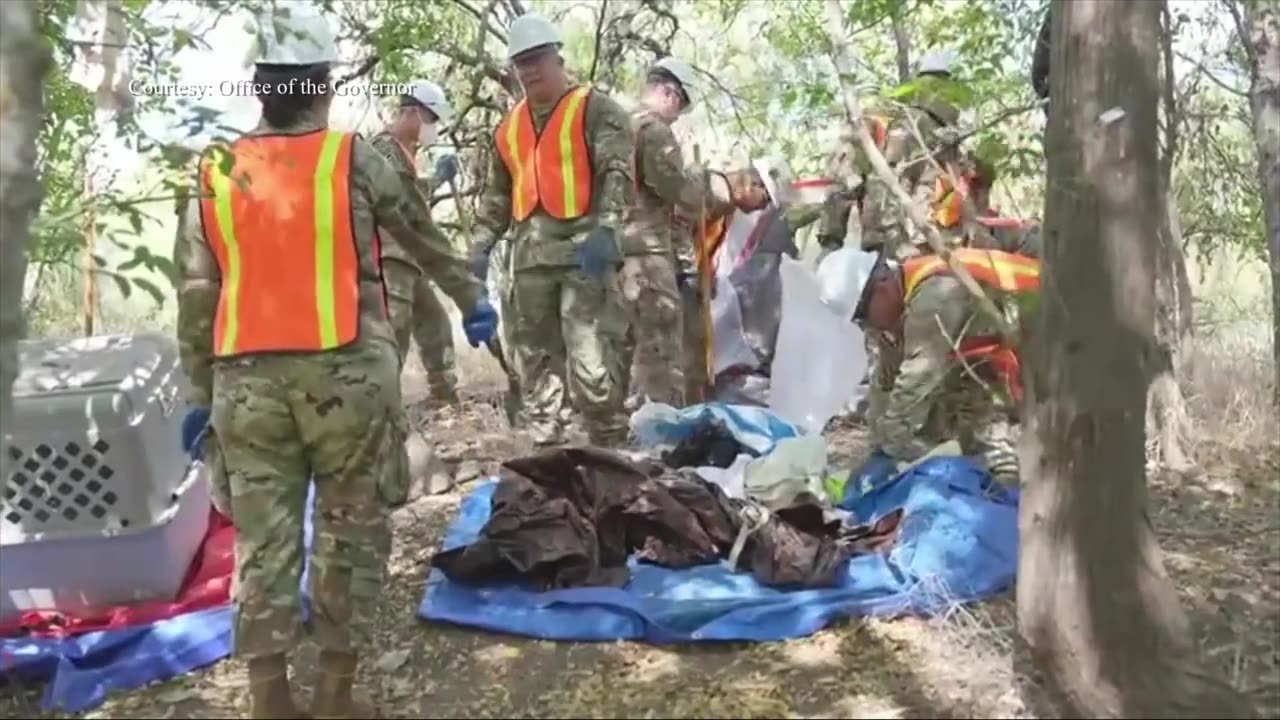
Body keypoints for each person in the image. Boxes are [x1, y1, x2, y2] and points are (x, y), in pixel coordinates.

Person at [173, 8, 497, 717]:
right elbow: (420, 232)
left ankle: (270, 699)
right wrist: (470, 294)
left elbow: (197, 294)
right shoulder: (351, 157)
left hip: (245, 388)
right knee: (351, 532)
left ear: (260, 85)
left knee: (262, 541)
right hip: (346, 377)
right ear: (321, 83)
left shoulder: (215, 168)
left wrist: (198, 393)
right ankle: (336, 695)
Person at [467, 12, 635, 446]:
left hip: (585, 251)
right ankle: (546, 442)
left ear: (557, 58)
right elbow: (497, 197)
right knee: (535, 357)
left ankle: (608, 440)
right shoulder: (507, 129)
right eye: (522, 62)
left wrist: (609, 226)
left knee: (591, 357)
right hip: (531, 258)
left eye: (539, 58)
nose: (531, 69)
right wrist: (480, 245)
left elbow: (617, 169)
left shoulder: (597, 109)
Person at [819, 47, 968, 433]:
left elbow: (842, 178)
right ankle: (894, 419)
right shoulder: (890, 121)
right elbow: (843, 171)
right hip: (905, 245)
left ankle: (905, 419)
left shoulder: (936, 130)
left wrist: (831, 235)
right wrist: (832, 235)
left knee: (911, 334)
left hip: (920, 245)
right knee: (890, 331)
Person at [851, 247, 1040, 485]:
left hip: (1056, 326)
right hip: (1019, 339)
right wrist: (878, 441)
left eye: (863, 315)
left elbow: (919, 373)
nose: (866, 325)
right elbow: (887, 376)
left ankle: (1003, 465)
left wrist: (893, 440)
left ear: (882, 289)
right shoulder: (904, 294)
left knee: (954, 398)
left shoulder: (935, 294)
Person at [370, 80, 469, 406]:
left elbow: (410, 195)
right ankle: (380, 406)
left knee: (435, 323)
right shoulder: (383, 148)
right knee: (393, 331)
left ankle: (444, 394)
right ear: (411, 112)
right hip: (387, 254)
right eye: (431, 119)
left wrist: (435, 179)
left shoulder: (404, 153)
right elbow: (402, 202)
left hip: (408, 256)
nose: (433, 128)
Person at [620, 56, 706, 408]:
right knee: (661, 353)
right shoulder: (653, 131)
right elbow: (680, 193)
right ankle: (662, 438)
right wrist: (703, 181)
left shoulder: (616, 124)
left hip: (615, 253)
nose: (677, 116)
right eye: (680, 107)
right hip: (647, 255)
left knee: (626, 352)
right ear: (671, 94)